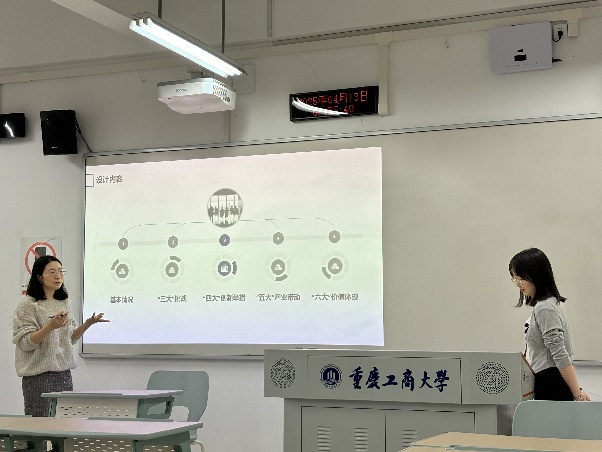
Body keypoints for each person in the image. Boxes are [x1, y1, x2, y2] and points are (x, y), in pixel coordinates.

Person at [12, 255, 109, 416]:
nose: (58, 276)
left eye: (60, 271)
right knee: (41, 424)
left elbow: (70, 338)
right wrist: (50, 326)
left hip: (63, 375)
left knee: (64, 424)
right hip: (38, 377)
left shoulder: (63, 302)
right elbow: (26, 342)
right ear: (39, 277)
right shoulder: (28, 305)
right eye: (52, 272)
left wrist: (88, 323)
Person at [509, 248, 590, 401]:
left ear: (535, 275)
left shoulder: (545, 307)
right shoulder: (550, 304)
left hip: (551, 383)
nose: (518, 284)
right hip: (551, 381)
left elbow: (560, 354)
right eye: (515, 279)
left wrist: (577, 393)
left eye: (521, 278)